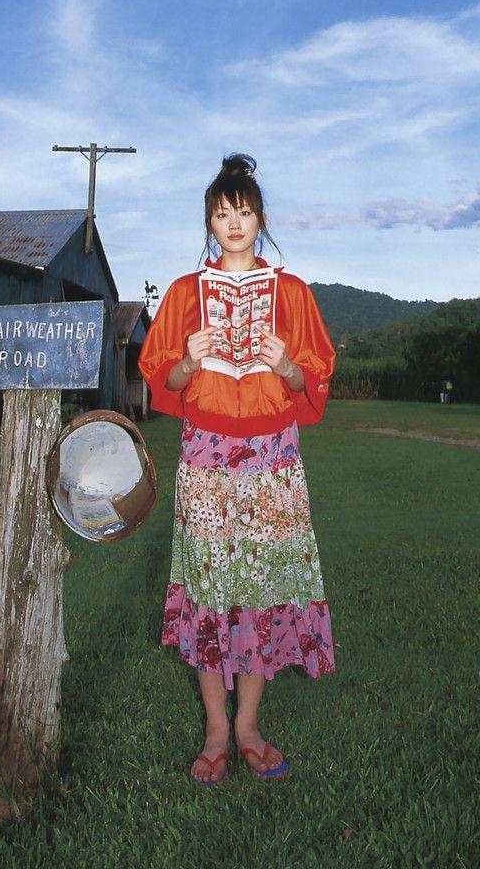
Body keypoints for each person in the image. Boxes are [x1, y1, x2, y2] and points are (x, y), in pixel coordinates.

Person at [138, 152, 336, 784]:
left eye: (244, 212)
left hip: (273, 458)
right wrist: (188, 362)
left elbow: (316, 378)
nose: (233, 223)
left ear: (261, 219)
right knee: (209, 583)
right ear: (209, 221)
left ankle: (248, 724)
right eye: (222, 213)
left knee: (261, 587)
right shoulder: (183, 294)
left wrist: (285, 366)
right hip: (206, 456)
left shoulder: (294, 293)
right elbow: (158, 380)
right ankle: (216, 730)